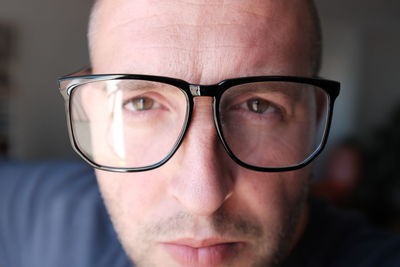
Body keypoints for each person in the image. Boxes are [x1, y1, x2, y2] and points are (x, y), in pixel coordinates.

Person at [2, 0, 399, 267]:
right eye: (141, 103)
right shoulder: (45, 211)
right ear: (93, 117)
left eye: (258, 106)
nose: (202, 198)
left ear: (314, 119)